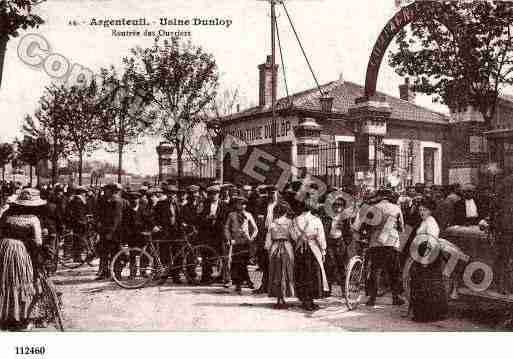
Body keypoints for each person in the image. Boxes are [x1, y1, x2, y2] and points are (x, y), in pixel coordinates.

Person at [0, 188, 46, 330]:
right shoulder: (33, 219)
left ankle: (5, 315)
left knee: (5, 280)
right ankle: (21, 316)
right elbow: (38, 242)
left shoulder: (7, 214)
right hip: (20, 251)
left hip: (4, 248)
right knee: (22, 279)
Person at [352, 189, 405, 306]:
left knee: (375, 270)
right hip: (391, 243)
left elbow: (365, 226)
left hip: (376, 243)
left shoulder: (373, 208)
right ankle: (396, 297)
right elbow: (401, 228)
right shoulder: (396, 208)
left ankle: (372, 298)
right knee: (394, 271)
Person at [408, 197, 448, 322]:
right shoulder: (425, 221)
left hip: (430, 255)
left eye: (424, 210)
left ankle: (428, 314)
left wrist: (426, 258)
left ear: (430, 211)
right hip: (423, 254)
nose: (421, 212)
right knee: (422, 284)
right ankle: (423, 313)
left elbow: (431, 241)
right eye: (420, 210)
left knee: (427, 285)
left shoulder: (431, 222)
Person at [289, 196, 329, 311]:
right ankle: (310, 300)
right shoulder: (316, 220)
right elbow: (321, 238)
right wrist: (323, 249)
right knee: (313, 274)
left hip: (300, 249)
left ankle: (304, 299)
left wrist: (300, 241)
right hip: (313, 249)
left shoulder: (295, 220)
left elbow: (293, 235)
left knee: (301, 274)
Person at [224, 195, 258, 294]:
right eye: (239, 204)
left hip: (245, 242)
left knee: (243, 263)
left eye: (243, 204)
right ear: (236, 205)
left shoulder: (248, 215)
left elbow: (255, 228)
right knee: (236, 263)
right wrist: (229, 238)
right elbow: (226, 227)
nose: (241, 206)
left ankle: (244, 282)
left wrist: (251, 238)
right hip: (235, 242)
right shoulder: (231, 215)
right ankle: (240, 283)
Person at [264, 202, 294, 308]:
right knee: (286, 272)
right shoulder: (290, 223)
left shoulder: (272, 223)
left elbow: (268, 242)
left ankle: (278, 298)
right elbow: (294, 236)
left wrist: (269, 250)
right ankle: (284, 297)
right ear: (286, 212)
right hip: (287, 247)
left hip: (275, 247)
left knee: (275, 272)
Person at [153, 184, 182, 283]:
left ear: (175, 195)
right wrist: (156, 225)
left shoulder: (179, 205)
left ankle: (176, 276)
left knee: (177, 255)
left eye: (173, 193)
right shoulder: (160, 204)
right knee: (164, 255)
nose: (171, 195)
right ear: (166, 194)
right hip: (164, 233)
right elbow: (153, 217)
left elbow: (181, 218)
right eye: (169, 193)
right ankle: (164, 276)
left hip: (176, 233)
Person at [96, 183, 125, 280]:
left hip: (114, 233)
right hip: (106, 231)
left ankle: (116, 274)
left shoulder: (116, 201)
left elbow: (116, 219)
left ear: (112, 190)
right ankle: (106, 272)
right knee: (105, 253)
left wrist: (111, 232)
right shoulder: (107, 201)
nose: (105, 192)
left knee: (115, 253)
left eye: (107, 190)